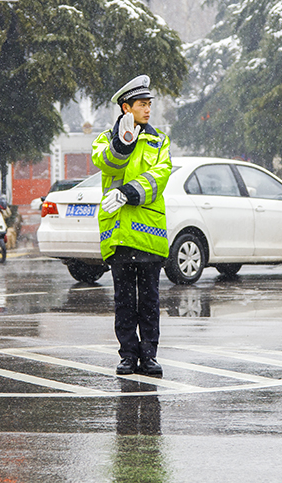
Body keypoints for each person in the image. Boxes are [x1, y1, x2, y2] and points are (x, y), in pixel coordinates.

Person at [92, 75, 172, 377]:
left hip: (149, 236)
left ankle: (149, 356)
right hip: (120, 237)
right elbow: (108, 163)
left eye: (149, 104)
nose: (148, 109)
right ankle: (127, 356)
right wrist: (122, 144)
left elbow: (159, 176)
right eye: (142, 105)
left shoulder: (159, 140)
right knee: (124, 302)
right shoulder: (104, 140)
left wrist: (128, 193)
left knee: (149, 301)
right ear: (126, 107)